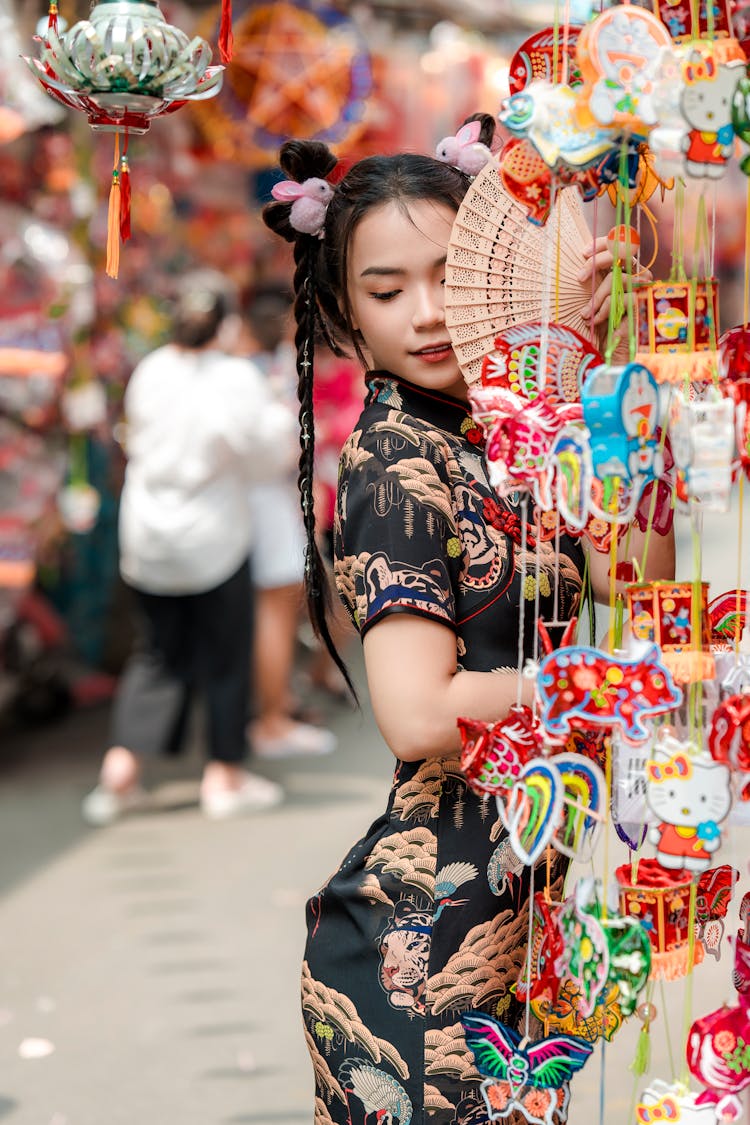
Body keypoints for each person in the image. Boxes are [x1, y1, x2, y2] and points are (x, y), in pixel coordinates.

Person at [263, 128, 675, 1121]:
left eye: (452, 273)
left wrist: (609, 381)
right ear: (344, 313)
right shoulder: (394, 464)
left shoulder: (504, 435)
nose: (432, 312)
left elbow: (633, 580)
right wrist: (596, 688)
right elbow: (418, 716)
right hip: (421, 964)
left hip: (520, 933)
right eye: (387, 288)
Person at [82, 269, 297, 825]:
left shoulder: (150, 370)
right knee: (225, 655)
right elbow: (266, 456)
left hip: (149, 536)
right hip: (212, 538)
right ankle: (223, 776)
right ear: (227, 322)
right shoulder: (234, 378)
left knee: (155, 652)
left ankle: (119, 773)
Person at [243, 283, 337, 758]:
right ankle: (272, 718)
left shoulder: (243, 369)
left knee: (273, 608)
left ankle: (277, 705)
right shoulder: (281, 369)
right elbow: (300, 440)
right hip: (275, 502)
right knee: (276, 610)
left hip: (248, 502)